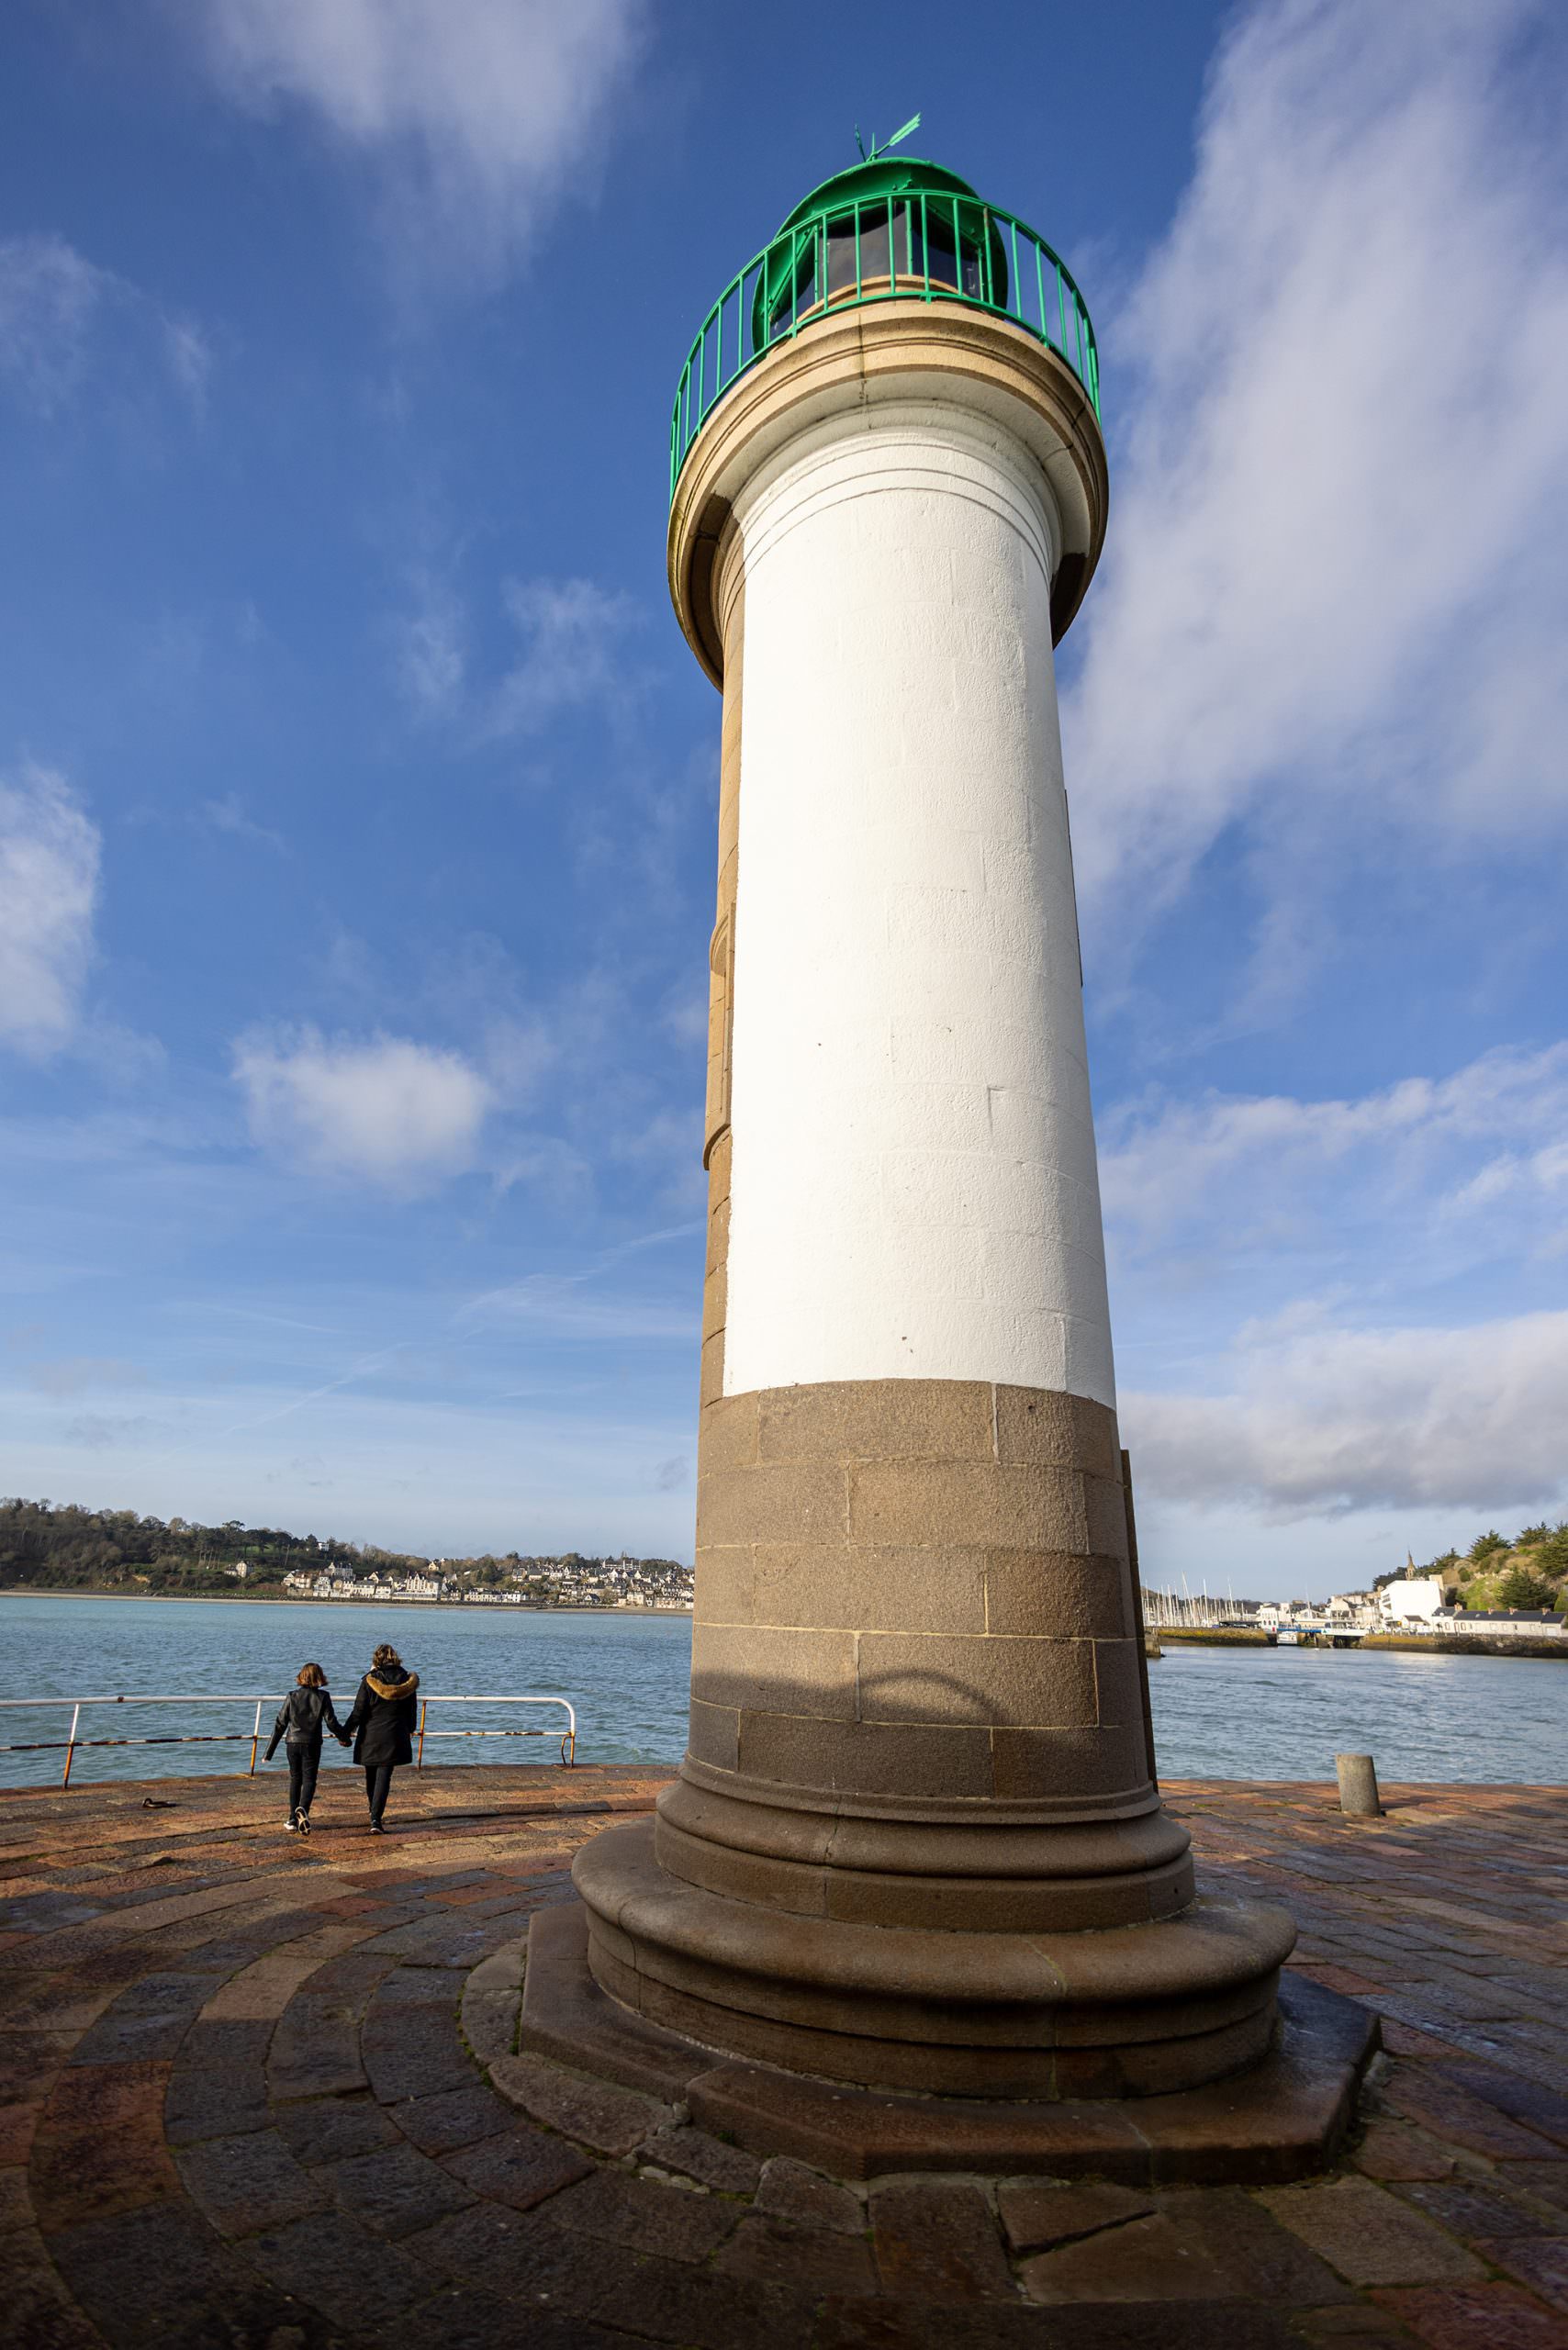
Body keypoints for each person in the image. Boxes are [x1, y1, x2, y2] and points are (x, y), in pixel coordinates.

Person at [263, 1662, 349, 1836]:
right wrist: (344, 1738)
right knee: (309, 1779)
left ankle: (292, 1820)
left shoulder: (292, 1696)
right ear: (320, 1677)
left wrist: (268, 1753)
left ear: (301, 1676)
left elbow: (280, 1724)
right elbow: (331, 1722)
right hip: (311, 1744)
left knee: (295, 1779)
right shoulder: (323, 1697)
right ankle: (303, 1810)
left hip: (292, 1744)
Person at [342, 1644, 420, 1834]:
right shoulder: (408, 1681)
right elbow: (412, 1710)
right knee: (385, 1776)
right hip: (395, 1734)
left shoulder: (369, 1680)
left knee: (371, 1774)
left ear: (376, 1660)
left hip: (370, 1734)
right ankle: (376, 1818)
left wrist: (345, 1733)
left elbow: (358, 1711)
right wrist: (410, 1729)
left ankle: (373, 1812)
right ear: (396, 1659)